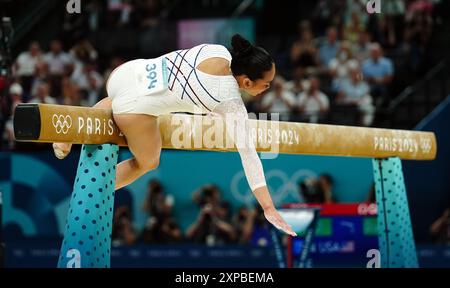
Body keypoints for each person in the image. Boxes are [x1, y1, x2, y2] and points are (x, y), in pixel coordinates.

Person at [52, 34, 296, 237]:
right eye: (266, 84)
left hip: (124, 74)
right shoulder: (230, 103)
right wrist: (267, 206)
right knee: (148, 162)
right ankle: (91, 189)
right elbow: (249, 156)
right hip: (133, 108)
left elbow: (193, 82)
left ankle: (72, 131)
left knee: (121, 103)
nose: (268, 88)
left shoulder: (219, 51)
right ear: (246, 81)